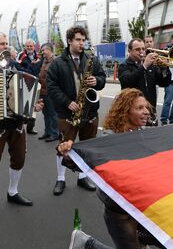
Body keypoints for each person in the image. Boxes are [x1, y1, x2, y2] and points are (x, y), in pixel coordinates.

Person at [58, 89, 160, 249]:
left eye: (146, 107)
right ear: (125, 112)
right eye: (140, 108)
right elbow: (87, 164)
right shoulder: (109, 139)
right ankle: (84, 241)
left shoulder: (146, 133)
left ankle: (138, 242)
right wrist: (69, 154)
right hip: (120, 214)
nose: (146, 111)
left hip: (143, 209)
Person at [0, 32, 40, 220]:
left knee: (19, 157)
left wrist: (33, 106)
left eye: (7, 43)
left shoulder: (14, 64)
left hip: (16, 121)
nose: (5, 46)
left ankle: (13, 192)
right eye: (1, 43)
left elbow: (25, 89)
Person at [47, 26, 106, 196]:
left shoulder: (91, 60)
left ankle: (82, 177)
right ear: (70, 41)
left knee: (86, 146)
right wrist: (67, 102)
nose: (82, 43)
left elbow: (102, 77)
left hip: (89, 112)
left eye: (83, 40)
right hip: (68, 113)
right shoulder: (57, 62)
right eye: (78, 40)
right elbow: (51, 86)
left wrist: (98, 80)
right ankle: (60, 178)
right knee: (63, 147)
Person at [118, 38, 171, 122]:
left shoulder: (151, 65)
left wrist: (164, 69)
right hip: (133, 111)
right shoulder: (124, 66)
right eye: (137, 49)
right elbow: (127, 81)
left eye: (143, 49)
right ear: (129, 51)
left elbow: (164, 83)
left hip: (150, 109)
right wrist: (144, 66)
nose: (141, 51)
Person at [17, 39, 42, 135]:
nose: (29, 48)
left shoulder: (39, 56)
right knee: (23, 105)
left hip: (36, 83)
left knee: (34, 105)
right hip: (24, 83)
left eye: (31, 46)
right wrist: (31, 66)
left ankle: (30, 127)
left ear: (34, 46)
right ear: (25, 47)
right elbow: (19, 68)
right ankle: (21, 126)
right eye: (27, 46)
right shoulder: (21, 56)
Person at [37, 42, 59, 142]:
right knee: (46, 113)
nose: (42, 52)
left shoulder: (55, 61)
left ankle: (55, 133)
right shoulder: (44, 61)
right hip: (43, 92)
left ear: (49, 50)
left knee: (53, 113)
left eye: (43, 50)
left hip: (51, 92)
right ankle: (48, 132)